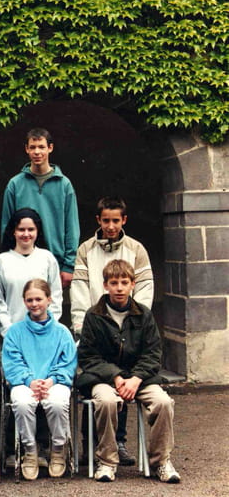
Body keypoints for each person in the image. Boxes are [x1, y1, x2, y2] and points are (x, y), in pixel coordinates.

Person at [77, 259, 181, 484]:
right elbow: (88, 356)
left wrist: (135, 379)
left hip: (139, 378)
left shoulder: (144, 314)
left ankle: (160, 461)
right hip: (104, 378)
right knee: (106, 401)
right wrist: (115, 376)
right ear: (105, 285)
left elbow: (153, 353)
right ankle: (107, 461)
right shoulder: (93, 316)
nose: (119, 288)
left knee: (163, 402)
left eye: (124, 283)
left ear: (133, 284)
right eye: (114, 283)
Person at [71, 196, 154, 466]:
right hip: (96, 326)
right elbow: (80, 289)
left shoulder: (136, 249)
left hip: (127, 325)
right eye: (105, 220)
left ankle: (119, 442)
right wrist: (82, 325)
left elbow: (144, 289)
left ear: (124, 220)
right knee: (96, 384)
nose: (110, 226)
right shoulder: (86, 249)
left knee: (123, 381)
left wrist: (134, 321)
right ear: (98, 220)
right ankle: (90, 444)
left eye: (115, 220)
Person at [2, 279, 77, 480]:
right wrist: (29, 381)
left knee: (57, 403)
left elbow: (68, 363)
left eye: (38, 299)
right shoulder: (15, 332)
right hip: (25, 383)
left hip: (54, 382)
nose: (34, 304)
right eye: (30, 300)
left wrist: (52, 380)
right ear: (24, 301)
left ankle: (58, 449)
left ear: (49, 300)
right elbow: (12, 363)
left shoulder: (62, 332)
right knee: (22, 403)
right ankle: (30, 450)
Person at [1, 128, 79, 288]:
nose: (37, 152)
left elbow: (72, 227)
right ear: (26, 149)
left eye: (41, 147)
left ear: (50, 148)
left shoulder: (64, 185)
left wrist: (69, 265)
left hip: (55, 263)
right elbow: (6, 226)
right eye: (33, 147)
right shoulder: (15, 184)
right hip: (21, 261)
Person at [0, 208, 62, 338]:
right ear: (13, 231)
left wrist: (47, 327)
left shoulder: (47, 258)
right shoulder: (1, 261)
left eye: (31, 229)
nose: (26, 234)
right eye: (21, 229)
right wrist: (9, 331)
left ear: (37, 231)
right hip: (12, 334)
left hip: (43, 333)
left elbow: (56, 296)